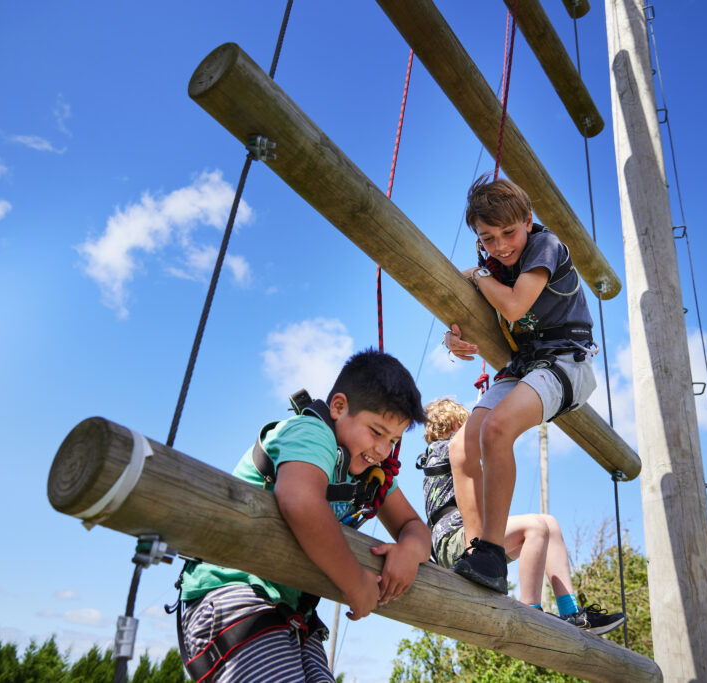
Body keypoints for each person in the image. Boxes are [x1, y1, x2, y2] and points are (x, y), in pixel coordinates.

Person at [176, 349, 431, 682]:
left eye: (394, 440)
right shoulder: (311, 433)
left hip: (292, 612)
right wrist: (355, 584)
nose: (383, 450)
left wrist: (410, 550)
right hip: (232, 591)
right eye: (377, 432)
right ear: (339, 407)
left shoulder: (371, 474)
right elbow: (300, 502)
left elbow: (414, 527)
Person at [444, 174, 599, 595]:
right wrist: (451, 334)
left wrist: (478, 275)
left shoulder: (545, 246)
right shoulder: (490, 266)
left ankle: (493, 550)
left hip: (568, 359)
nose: (501, 246)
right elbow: (453, 286)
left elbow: (513, 304)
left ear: (528, 221)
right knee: (461, 447)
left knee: (497, 430)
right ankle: (480, 552)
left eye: (508, 233)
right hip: (525, 365)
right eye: (487, 238)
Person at [418, 398, 624, 634]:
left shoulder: (455, 450)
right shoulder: (443, 449)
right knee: (534, 527)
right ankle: (530, 610)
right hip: (454, 542)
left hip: (472, 537)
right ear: (455, 424)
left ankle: (572, 611)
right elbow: (486, 436)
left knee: (550, 524)